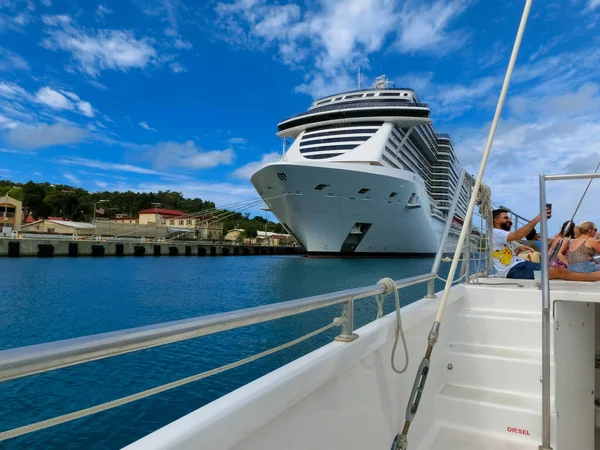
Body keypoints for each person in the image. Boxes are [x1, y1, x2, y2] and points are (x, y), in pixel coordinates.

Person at [492, 208, 544, 279]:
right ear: (496, 220)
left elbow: (507, 257)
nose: (509, 220)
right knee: (552, 271)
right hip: (513, 270)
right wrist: (538, 218)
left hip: (518, 266)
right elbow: (518, 235)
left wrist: (519, 249)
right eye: (506, 218)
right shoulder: (496, 233)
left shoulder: (501, 235)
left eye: (509, 218)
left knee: (551, 270)